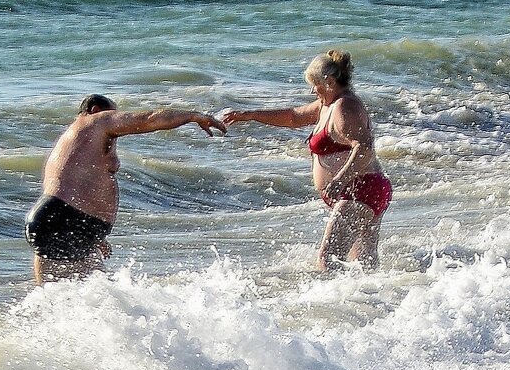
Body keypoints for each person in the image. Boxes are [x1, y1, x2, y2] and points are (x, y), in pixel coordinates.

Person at [25, 94, 226, 284]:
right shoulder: (95, 121)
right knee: (97, 297)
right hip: (65, 219)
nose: (116, 121)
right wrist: (192, 116)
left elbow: (70, 187)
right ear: (96, 110)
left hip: (57, 221)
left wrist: (92, 235)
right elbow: (149, 119)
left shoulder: (72, 141)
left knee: (68, 298)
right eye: (113, 114)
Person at [222, 50, 392, 271]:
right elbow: (293, 117)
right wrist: (250, 114)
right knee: (362, 265)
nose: (313, 90)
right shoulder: (326, 104)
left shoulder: (344, 107)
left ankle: (335, 304)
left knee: (327, 259)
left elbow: (364, 147)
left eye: (315, 84)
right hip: (362, 190)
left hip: (360, 189)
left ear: (330, 82)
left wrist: (340, 180)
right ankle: (376, 301)